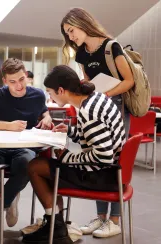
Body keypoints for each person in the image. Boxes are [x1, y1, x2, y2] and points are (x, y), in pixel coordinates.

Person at [22, 65, 126, 243]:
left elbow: (103, 155)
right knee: (47, 166)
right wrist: (71, 131)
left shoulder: (89, 111)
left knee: (35, 167)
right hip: (113, 171)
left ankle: (55, 227)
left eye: (50, 92)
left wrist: (67, 157)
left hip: (102, 175)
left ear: (61, 90)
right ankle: (55, 223)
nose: (49, 97)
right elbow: (98, 137)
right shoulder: (96, 98)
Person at [61, 7, 134, 237]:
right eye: (68, 34)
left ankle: (114, 219)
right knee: (95, 158)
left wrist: (106, 95)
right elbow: (88, 82)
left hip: (117, 108)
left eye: (72, 31)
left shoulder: (112, 47)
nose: (71, 37)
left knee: (114, 160)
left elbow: (129, 80)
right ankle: (101, 217)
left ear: (82, 23)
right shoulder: (81, 53)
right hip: (94, 110)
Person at [0, 58, 52, 229]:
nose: (19, 86)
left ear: (27, 76)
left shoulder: (37, 95)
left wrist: (47, 117)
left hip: (25, 147)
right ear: (5, 81)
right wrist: (8, 126)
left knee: (27, 164)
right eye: (13, 82)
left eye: (22, 79)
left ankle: (1, 203)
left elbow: (44, 111)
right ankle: (11, 196)